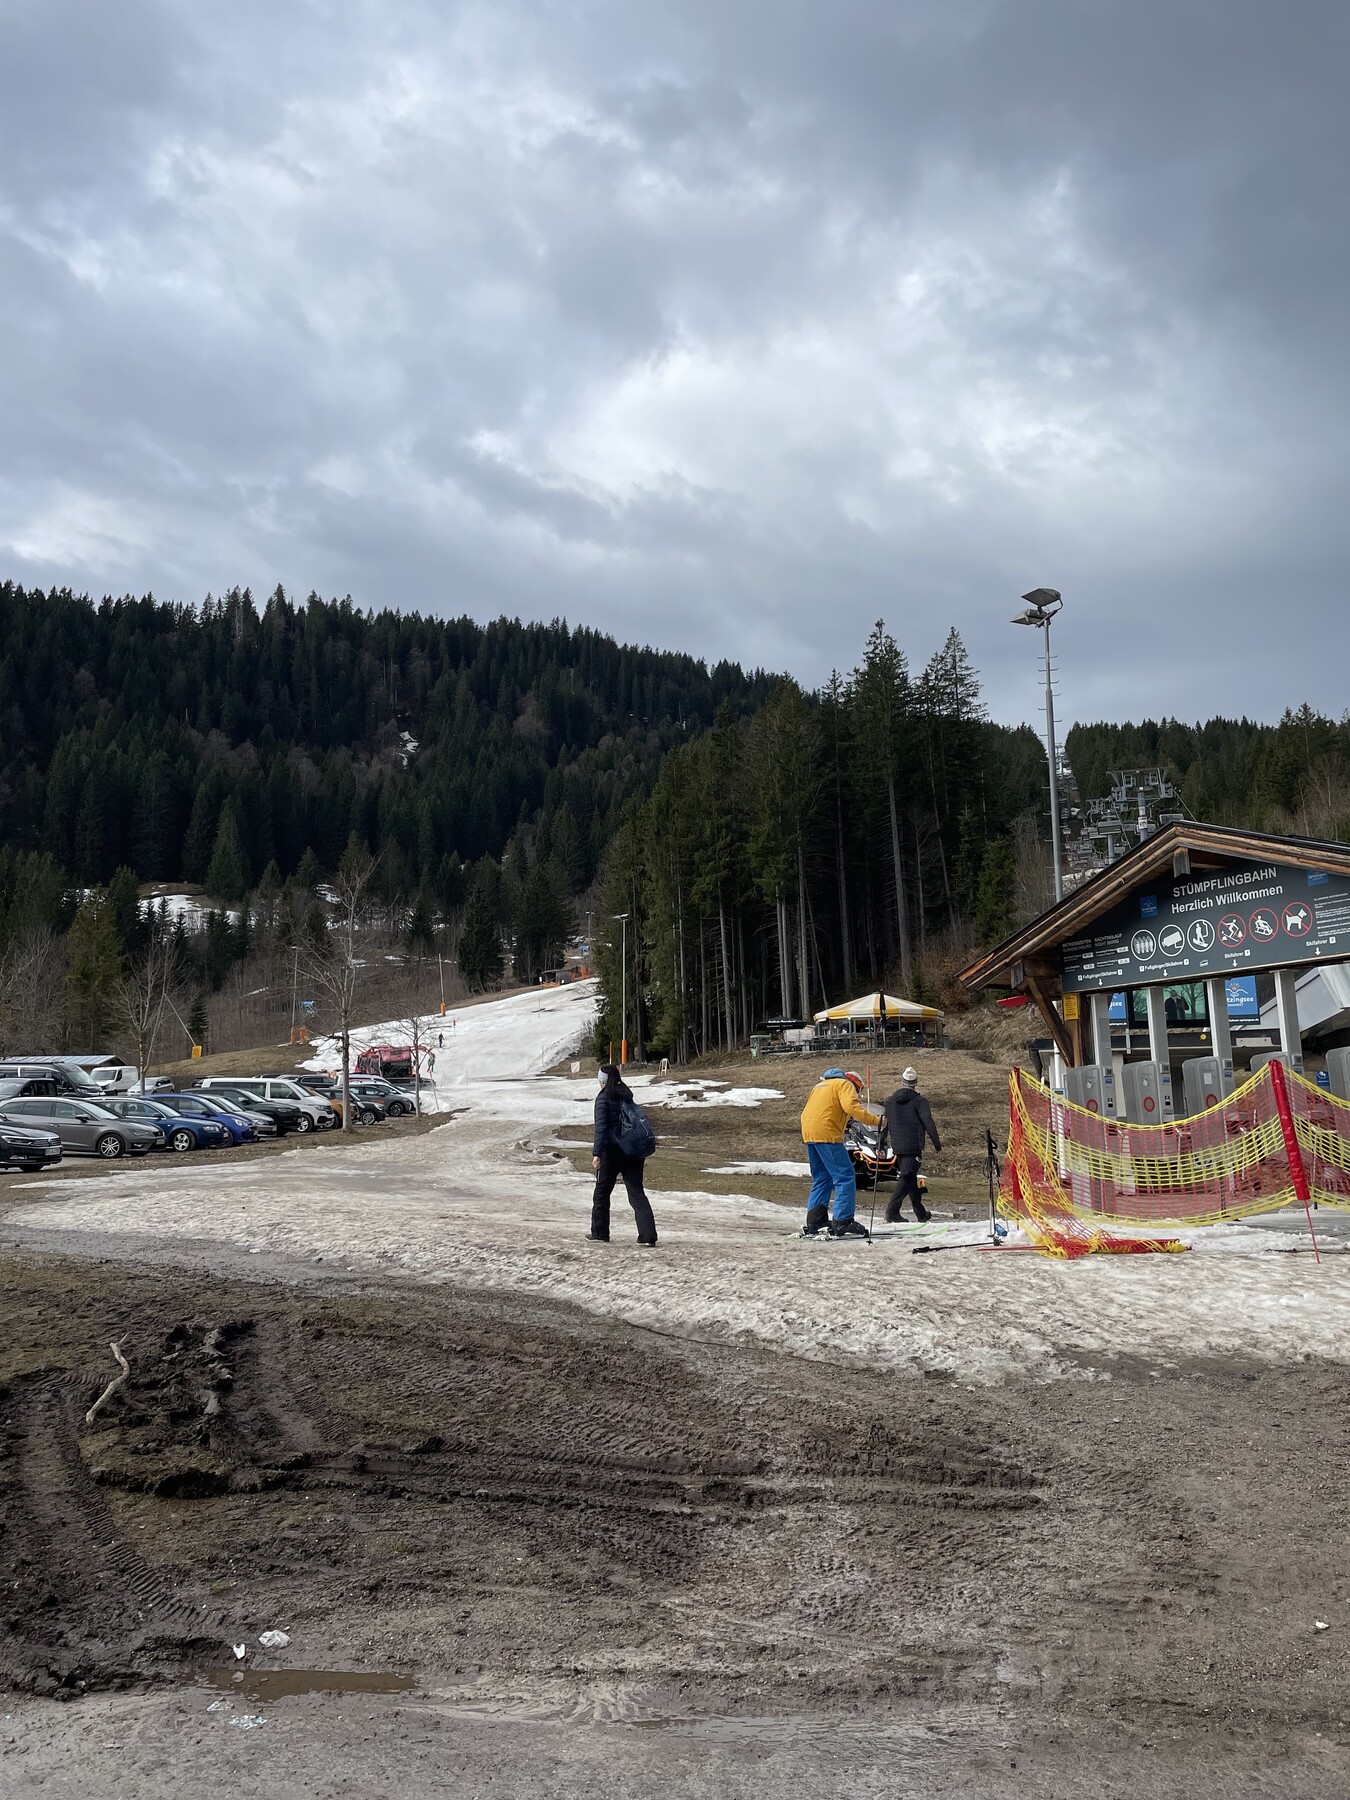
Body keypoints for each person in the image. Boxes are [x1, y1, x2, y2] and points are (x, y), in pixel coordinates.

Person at [800, 1067, 881, 1239]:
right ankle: (843, 1220)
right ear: (855, 1084)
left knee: (822, 1177)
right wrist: (877, 1121)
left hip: (809, 1133)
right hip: (827, 1133)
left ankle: (816, 1221)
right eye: (858, 1091)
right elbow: (852, 1107)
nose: (857, 1094)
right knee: (845, 1175)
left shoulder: (821, 1086)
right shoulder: (845, 1084)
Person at [590, 1064, 658, 1246]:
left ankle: (600, 1233)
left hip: (611, 1152)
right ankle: (648, 1236)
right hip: (633, 1150)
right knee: (636, 1192)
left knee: (602, 1192)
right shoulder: (627, 1095)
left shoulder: (603, 1099)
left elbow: (601, 1129)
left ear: (603, 1081)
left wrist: (597, 1154)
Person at [882, 1066, 941, 1223]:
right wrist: (937, 1143)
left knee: (910, 1176)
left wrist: (881, 1144)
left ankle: (920, 1213)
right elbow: (928, 1122)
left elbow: (884, 1124)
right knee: (907, 1176)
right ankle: (892, 1211)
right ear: (916, 1082)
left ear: (902, 1081)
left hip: (897, 1145)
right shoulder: (920, 1101)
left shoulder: (890, 1101)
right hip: (913, 1145)